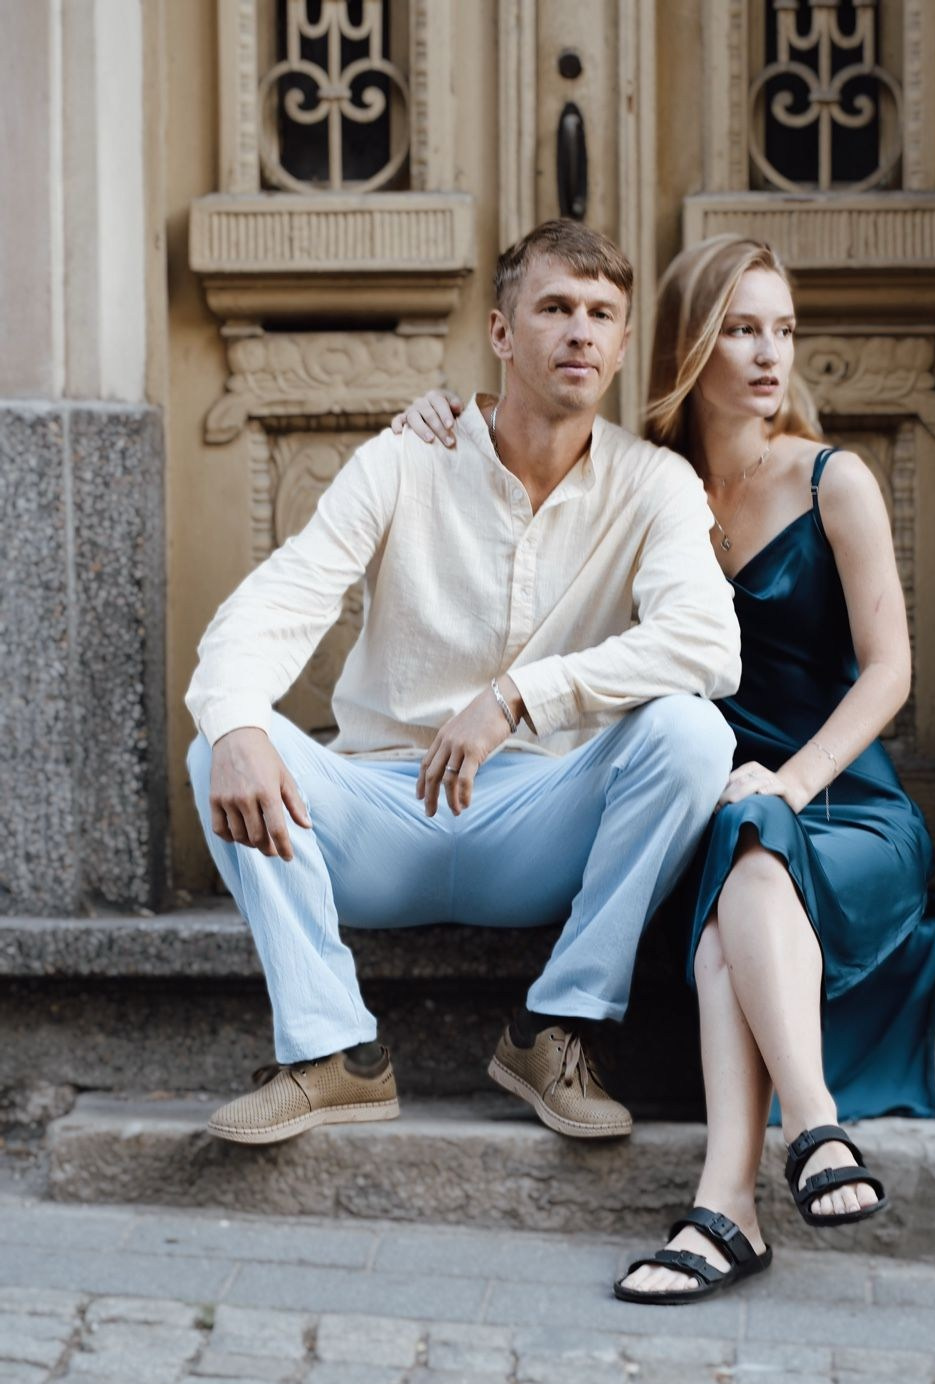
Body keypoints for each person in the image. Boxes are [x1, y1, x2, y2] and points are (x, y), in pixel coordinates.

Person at [393, 234, 935, 1304]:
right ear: (692, 340)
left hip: (842, 804)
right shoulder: (639, 482)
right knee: (729, 887)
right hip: (706, 801)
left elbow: (889, 674)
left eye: (783, 331)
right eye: (741, 328)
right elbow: (513, 456)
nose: (767, 356)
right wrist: (435, 416)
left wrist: (789, 785)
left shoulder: (835, 482)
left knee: (740, 882)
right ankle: (776, 1170)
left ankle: (749, 1183)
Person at [185, 220, 741, 1149]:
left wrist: (520, 696)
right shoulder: (406, 458)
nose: (580, 333)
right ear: (499, 332)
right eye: (555, 307)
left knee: (693, 735)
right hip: (376, 815)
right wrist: (239, 719)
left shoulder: (655, 486)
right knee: (223, 740)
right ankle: (334, 1054)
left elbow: (706, 644)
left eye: (602, 314)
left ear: (621, 342)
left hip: (540, 820)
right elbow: (276, 602)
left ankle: (554, 1030)